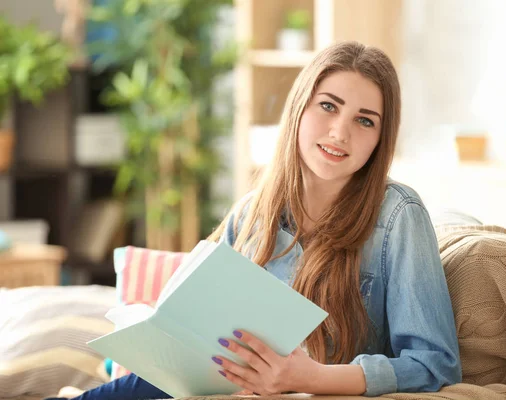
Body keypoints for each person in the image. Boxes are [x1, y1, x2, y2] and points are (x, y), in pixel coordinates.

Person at [47, 41, 461, 400]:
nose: (339, 132)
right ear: (300, 107)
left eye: (364, 120)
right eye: (328, 106)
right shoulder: (253, 212)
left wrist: (313, 377)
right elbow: (194, 339)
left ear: (380, 138)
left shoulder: (398, 217)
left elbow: (434, 363)